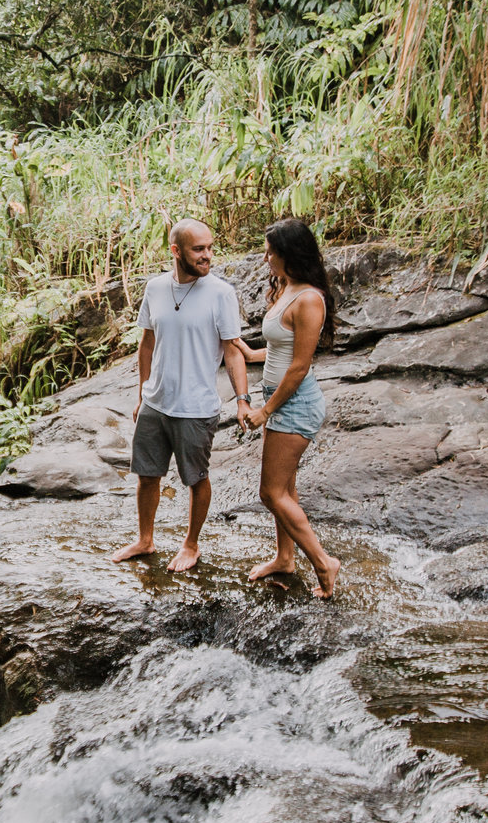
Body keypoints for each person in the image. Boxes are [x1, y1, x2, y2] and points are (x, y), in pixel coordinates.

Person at [111, 218, 249, 573]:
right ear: (176, 251)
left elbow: (232, 350)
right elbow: (146, 344)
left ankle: (191, 545)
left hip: (196, 407)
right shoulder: (155, 288)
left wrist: (243, 399)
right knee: (146, 475)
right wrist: (143, 395)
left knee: (196, 479)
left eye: (210, 248)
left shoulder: (221, 293)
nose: (208, 256)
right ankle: (145, 539)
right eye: (198, 249)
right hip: (156, 402)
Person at [237, 217, 342, 597]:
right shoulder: (287, 288)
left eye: (271, 251)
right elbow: (283, 350)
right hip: (279, 398)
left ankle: (323, 562)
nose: (266, 256)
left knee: (271, 493)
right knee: (286, 488)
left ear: (289, 253)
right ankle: (285, 557)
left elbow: (300, 365)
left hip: (294, 403)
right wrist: (250, 353)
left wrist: (265, 411)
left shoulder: (309, 298)